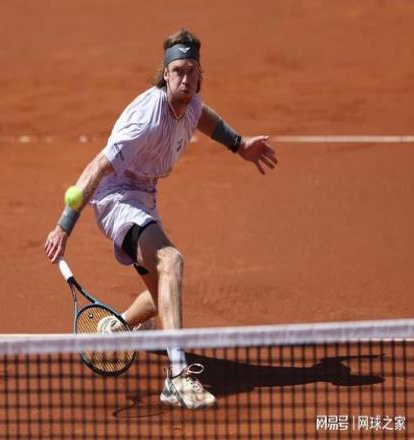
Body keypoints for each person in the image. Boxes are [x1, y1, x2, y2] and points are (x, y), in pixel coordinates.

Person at [44, 29, 277, 409]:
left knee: (163, 299)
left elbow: (203, 117)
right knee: (171, 260)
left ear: (199, 75)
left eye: (192, 71)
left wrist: (239, 144)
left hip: (145, 196)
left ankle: (117, 326)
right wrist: (63, 226)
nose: (186, 79)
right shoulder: (145, 120)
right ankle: (177, 378)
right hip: (117, 199)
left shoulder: (191, 102)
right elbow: (97, 166)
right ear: (165, 73)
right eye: (178, 71)